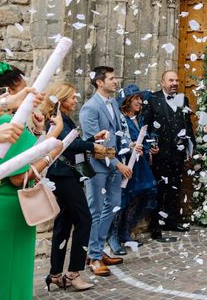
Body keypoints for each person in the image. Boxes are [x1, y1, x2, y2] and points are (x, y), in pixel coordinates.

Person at [0, 60, 63, 300]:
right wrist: (54, 144)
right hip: (6, 208)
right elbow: (21, 176)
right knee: (10, 279)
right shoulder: (7, 125)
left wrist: (39, 134)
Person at [40, 83, 107, 291]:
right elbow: (65, 144)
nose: (75, 100)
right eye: (72, 97)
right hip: (63, 176)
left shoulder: (62, 118)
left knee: (64, 223)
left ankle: (55, 274)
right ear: (60, 99)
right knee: (84, 219)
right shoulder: (57, 119)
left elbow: (70, 143)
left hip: (64, 175)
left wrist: (90, 139)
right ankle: (73, 273)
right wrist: (92, 146)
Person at [79, 66, 132, 276]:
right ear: (99, 82)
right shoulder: (90, 108)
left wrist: (130, 146)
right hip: (97, 167)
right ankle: (93, 256)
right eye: (111, 78)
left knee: (114, 206)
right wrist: (117, 164)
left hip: (114, 164)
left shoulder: (114, 103)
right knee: (96, 211)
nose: (115, 81)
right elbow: (95, 144)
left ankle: (99, 251)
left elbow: (119, 132)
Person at [142, 71, 195, 241]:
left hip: (177, 153)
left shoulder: (183, 99)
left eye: (176, 80)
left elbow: (187, 124)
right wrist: (150, 146)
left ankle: (172, 220)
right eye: (171, 80)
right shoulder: (152, 99)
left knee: (174, 186)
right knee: (158, 189)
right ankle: (155, 225)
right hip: (159, 154)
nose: (174, 83)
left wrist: (190, 147)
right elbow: (146, 125)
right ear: (162, 82)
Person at [108, 84, 156, 254]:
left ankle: (125, 233)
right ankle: (113, 237)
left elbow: (146, 138)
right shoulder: (122, 120)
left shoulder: (139, 119)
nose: (140, 102)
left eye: (140, 98)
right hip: (126, 165)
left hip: (140, 165)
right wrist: (131, 146)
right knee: (121, 201)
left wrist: (151, 147)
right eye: (136, 99)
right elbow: (118, 140)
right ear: (127, 101)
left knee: (135, 199)